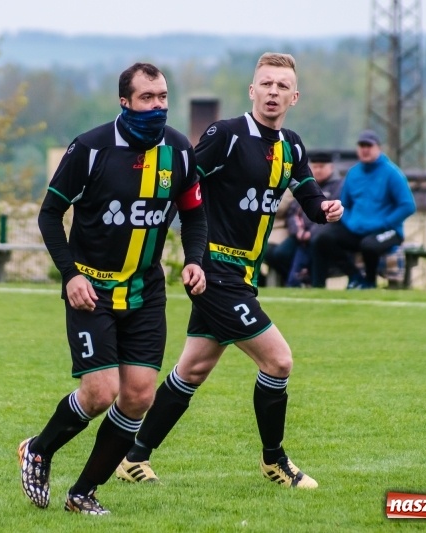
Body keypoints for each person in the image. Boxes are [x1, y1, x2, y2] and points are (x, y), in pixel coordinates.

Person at [116, 53, 343, 489]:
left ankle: (133, 456)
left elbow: (310, 197)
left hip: (242, 277)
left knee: (192, 371)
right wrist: (182, 248)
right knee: (279, 361)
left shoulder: (291, 145)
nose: (273, 92)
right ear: (252, 90)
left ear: (294, 97)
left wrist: (326, 209)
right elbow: (183, 182)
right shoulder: (227, 135)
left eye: (282, 86)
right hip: (214, 271)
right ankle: (275, 461)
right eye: (266, 84)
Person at [18, 62, 207, 515]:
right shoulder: (90, 148)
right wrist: (70, 275)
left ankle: (83, 493)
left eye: (163, 97)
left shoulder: (180, 151)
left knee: (139, 396)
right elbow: (49, 215)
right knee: (100, 393)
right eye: (147, 98)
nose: (157, 106)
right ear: (125, 101)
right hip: (92, 291)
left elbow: (194, 214)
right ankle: (39, 450)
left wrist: (195, 259)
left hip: (145, 292)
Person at [312, 129, 416, 289]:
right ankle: (347, 279)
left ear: (378, 148)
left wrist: (386, 223)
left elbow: (407, 205)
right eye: (361, 145)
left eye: (369, 145)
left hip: (387, 230)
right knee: (322, 238)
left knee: (369, 246)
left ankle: (370, 283)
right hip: (357, 230)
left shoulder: (392, 173)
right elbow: (344, 204)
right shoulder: (353, 173)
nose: (365, 149)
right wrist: (349, 222)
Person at [265, 151, 343, 286]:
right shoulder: (307, 185)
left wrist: (311, 232)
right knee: (279, 254)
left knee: (317, 244)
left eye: (321, 166)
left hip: (320, 234)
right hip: (300, 235)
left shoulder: (337, 186)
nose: (318, 170)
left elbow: (334, 214)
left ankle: (315, 284)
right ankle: (298, 280)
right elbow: (293, 212)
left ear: (331, 168)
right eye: (315, 166)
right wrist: (298, 231)